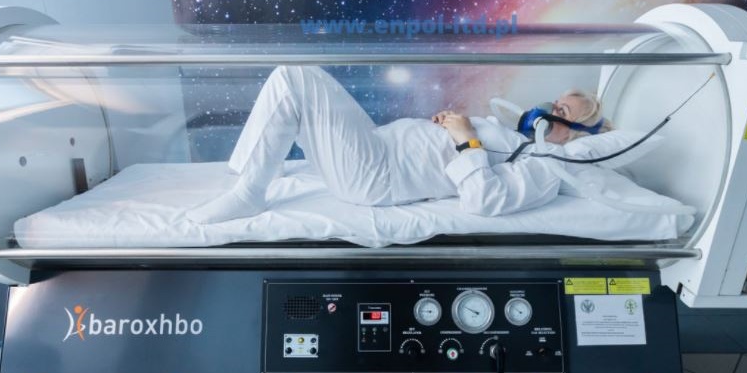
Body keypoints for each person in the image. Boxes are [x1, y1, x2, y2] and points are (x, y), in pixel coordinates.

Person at [187, 64, 611, 223]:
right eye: (554, 102)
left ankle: (250, 191)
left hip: (378, 173)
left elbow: (485, 200)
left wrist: (466, 140)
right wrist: (446, 127)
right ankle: (256, 173)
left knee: (295, 77)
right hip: (379, 147)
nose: (546, 109)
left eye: (562, 111)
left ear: (574, 133)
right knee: (295, 89)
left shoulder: (545, 167)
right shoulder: (517, 139)